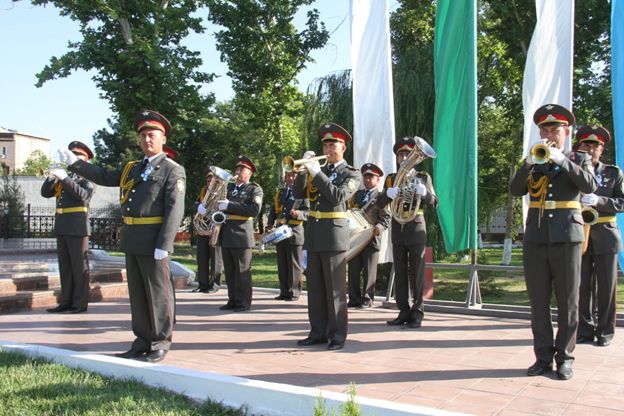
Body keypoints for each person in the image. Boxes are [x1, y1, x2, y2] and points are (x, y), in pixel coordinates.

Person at [59, 110, 186, 363]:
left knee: (158, 293)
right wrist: (75, 163)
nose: (146, 140)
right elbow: (104, 177)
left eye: (152, 135)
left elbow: (175, 210)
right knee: (138, 293)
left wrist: (165, 243)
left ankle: (160, 341)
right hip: (133, 237)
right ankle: (141, 340)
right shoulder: (132, 168)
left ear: (163, 139)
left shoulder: (173, 169)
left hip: (154, 240)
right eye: (143, 136)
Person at [510, 104, 597, 380]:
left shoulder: (578, 158)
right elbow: (515, 189)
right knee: (538, 301)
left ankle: (566, 358)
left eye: (555, 130)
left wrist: (562, 160)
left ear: (566, 132)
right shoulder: (535, 159)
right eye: (545, 129)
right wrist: (527, 164)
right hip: (536, 237)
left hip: (567, 237)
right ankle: (543, 357)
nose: (549, 134)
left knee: (568, 300)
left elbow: (589, 185)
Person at [292, 123, 360, 351]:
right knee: (316, 289)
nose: (328, 149)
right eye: (325, 145)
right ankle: (317, 332)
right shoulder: (319, 171)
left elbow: (337, 196)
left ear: (343, 148)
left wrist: (316, 173)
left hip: (333, 235)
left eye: (333, 144)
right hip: (313, 233)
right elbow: (299, 193)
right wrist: (303, 170)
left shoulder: (351, 173)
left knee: (335, 290)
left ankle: (338, 334)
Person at [376, 137, 438, 328]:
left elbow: (434, 203)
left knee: (417, 272)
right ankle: (403, 310)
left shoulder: (423, 178)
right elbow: (378, 204)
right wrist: (386, 195)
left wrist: (425, 193)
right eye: (401, 155)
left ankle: (418, 312)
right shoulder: (391, 179)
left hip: (416, 227)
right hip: (398, 228)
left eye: (408, 154)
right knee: (400, 271)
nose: (404, 158)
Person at [575, 125, 623, 347]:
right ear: (580, 147)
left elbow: (622, 202)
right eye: (587, 145)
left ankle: (605, 331)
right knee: (582, 287)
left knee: (606, 288)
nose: (591, 150)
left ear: (602, 150)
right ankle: (584, 330)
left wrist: (600, 201)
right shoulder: (572, 170)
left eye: (596, 146)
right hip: (579, 234)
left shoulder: (614, 173)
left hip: (605, 234)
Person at [42, 141, 96, 314]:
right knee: (65, 266)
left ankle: (79, 304)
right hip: (62, 224)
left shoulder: (88, 179)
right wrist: (52, 177)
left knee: (79, 267)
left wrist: (64, 178)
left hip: (77, 226)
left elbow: (82, 196)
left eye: (77, 158)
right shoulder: (65, 177)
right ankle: (65, 301)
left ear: (85, 161)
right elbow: (46, 193)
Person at [217, 155, 263, 312]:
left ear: (249, 173)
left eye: (242, 169)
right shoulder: (228, 188)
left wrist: (230, 205)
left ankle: (244, 302)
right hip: (226, 233)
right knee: (230, 271)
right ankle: (233, 300)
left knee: (242, 271)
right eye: (237, 169)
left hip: (241, 234)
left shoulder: (254, 189)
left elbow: (254, 210)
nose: (238, 171)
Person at [347, 163, 390, 308]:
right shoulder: (356, 196)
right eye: (365, 176)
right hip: (356, 239)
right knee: (353, 269)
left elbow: (386, 218)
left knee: (369, 271)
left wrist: (379, 228)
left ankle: (367, 299)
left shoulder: (381, 197)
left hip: (371, 239)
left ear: (378, 179)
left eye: (371, 177)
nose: (367, 179)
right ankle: (353, 298)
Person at [266, 170, 309, 301]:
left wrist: (299, 214)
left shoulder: (304, 194)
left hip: (295, 231)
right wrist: (269, 223)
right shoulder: (281, 193)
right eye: (289, 175)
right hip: (280, 231)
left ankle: (294, 292)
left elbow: (309, 212)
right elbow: (274, 210)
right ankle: (284, 291)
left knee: (294, 264)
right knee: (282, 264)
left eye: (294, 176)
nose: (291, 178)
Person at [193, 167, 223, 294]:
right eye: (208, 181)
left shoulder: (221, 192)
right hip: (203, 228)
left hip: (215, 228)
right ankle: (202, 284)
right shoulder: (203, 192)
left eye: (212, 181)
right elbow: (195, 203)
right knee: (202, 257)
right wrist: (198, 206)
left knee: (216, 258)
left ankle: (215, 284)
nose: (209, 184)